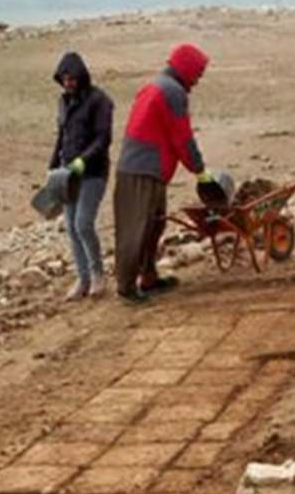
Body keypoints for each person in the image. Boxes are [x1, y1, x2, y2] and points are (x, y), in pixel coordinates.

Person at [113, 43, 215, 305]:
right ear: (187, 69)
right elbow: (182, 138)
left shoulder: (156, 86)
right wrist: (200, 171)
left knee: (153, 225)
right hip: (142, 170)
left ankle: (148, 277)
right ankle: (126, 287)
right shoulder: (172, 92)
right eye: (198, 74)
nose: (198, 81)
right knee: (136, 230)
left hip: (145, 167)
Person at [48, 51, 114, 300]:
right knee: (71, 228)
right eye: (64, 80)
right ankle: (82, 278)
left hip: (93, 172)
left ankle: (98, 274)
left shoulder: (100, 101)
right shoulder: (63, 102)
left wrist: (83, 161)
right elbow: (61, 137)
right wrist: (53, 165)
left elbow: (103, 139)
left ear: (81, 77)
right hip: (67, 173)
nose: (69, 83)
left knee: (83, 223)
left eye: (72, 79)